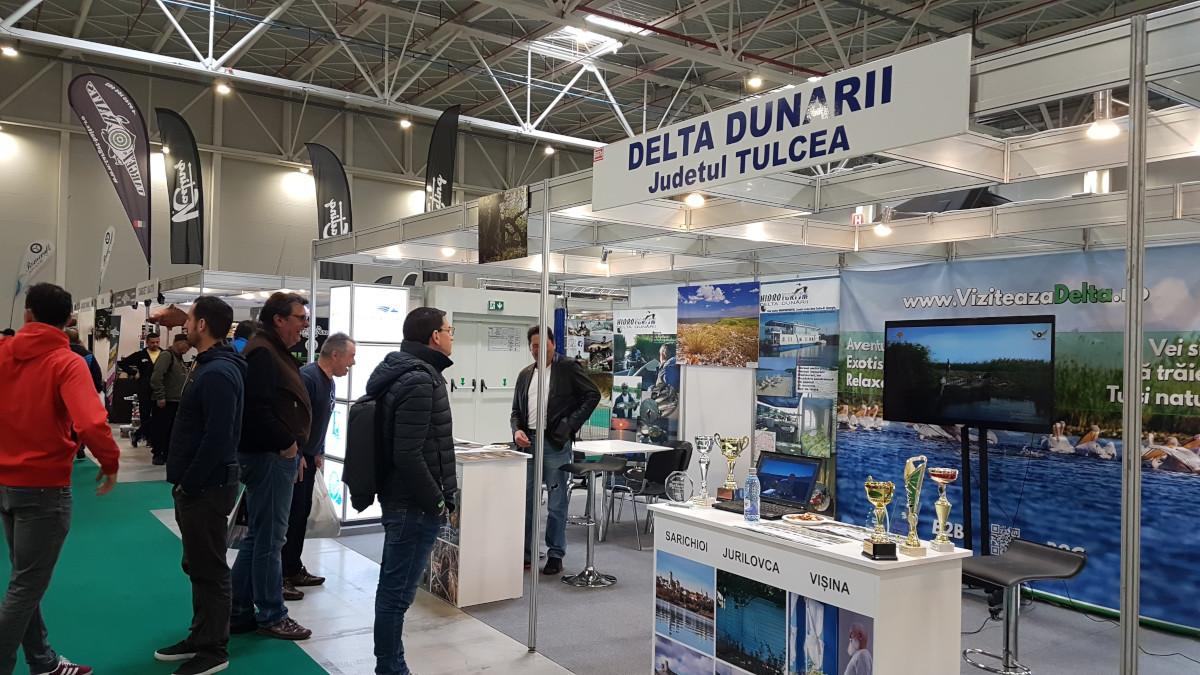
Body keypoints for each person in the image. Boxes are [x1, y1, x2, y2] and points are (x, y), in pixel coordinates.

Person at [0, 283, 120, 675]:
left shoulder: (3, 353)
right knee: (26, 585)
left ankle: (43, 662)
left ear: (27, 315)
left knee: (24, 580)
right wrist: (110, 461)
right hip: (44, 487)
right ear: (69, 320)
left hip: (6, 484)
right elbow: (91, 422)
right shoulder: (67, 362)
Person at [155, 296, 245, 675]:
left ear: (203, 324)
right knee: (198, 564)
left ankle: (214, 649)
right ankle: (201, 635)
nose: (185, 325)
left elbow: (218, 438)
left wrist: (190, 483)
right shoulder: (209, 365)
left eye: (189, 319)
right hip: (198, 485)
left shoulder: (218, 372)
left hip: (207, 487)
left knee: (210, 568)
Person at [365, 307, 457, 675]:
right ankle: (391, 669)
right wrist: (436, 501)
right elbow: (407, 453)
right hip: (412, 506)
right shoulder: (420, 380)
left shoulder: (407, 372)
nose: (451, 336)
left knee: (394, 590)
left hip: (404, 501)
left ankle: (390, 666)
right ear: (435, 336)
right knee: (397, 594)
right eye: (448, 330)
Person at [230, 293, 313, 641]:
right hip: (269, 457)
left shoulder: (268, 348)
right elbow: (256, 409)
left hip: (271, 455)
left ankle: (237, 610)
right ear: (278, 319)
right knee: (270, 540)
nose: (305, 325)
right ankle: (272, 614)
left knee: (260, 537)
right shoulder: (264, 351)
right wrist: (287, 442)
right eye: (300, 318)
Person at [511, 326, 601, 575]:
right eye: (534, 346)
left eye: (543, 345)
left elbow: (592, 395)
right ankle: (527, 553)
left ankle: (555, 554)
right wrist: (516, 431)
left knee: (556, 502)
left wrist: (569, 425)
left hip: (555, 444)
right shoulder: (525, 374)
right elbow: (515, 411)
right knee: (527, 502)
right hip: (528, 443)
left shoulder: (568, 368)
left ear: (553, 344)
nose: (538, 350)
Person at [281, 332, 356, 599]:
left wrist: (319, 451)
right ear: (335, 354)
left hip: (310, 457)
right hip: (297, 459)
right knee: (290, 516)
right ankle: (280, 574)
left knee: (301, 514)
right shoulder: (308, 378)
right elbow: (294, 419)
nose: (353, 363)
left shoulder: (329, 381)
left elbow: (318, 420)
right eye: (350, 357)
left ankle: (293, 567)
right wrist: (299, 453)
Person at [150, 335, 191, 466]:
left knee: (171, 430)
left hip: (175, 400)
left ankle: (167, 453)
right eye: (188, 345)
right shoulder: (166, 356)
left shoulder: (178, 358)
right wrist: (160, 396)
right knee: (161, 428)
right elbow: (156, 378)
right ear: (180, 343)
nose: (189, 349)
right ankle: (158, 454)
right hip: (165, 401)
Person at [65, 328, 105, 461]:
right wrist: (96, 389)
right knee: (80, 420)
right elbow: (97, 373)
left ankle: (69, 444)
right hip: (84, 393)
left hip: (65, 392)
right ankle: (80, 444)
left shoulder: (62, 353)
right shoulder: (88, 355)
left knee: (66, 420)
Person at [119, 332, 162, 448]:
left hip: (159, 389)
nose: (155, 344)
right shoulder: (140, 355)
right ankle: (147, 437)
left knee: (158, 415)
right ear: (147, 343)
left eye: (157, 342)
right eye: (152, 342)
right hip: (144, 389)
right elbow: (123, 363)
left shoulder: (164, 354)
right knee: (145, 414)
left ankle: (139, 434)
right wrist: (134, 373)